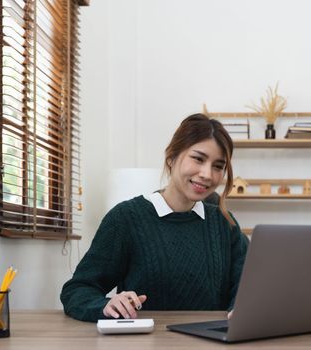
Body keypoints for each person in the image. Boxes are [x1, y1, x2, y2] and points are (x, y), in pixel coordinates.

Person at [60, 113, 249, 322]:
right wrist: (106, 305)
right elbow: (77, 290)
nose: (207, 174)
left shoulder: (224, 223)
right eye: (198, 158)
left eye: (218, 166)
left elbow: (248, 284)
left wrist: (240, 309)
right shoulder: (125, 219)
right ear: (172, 156)